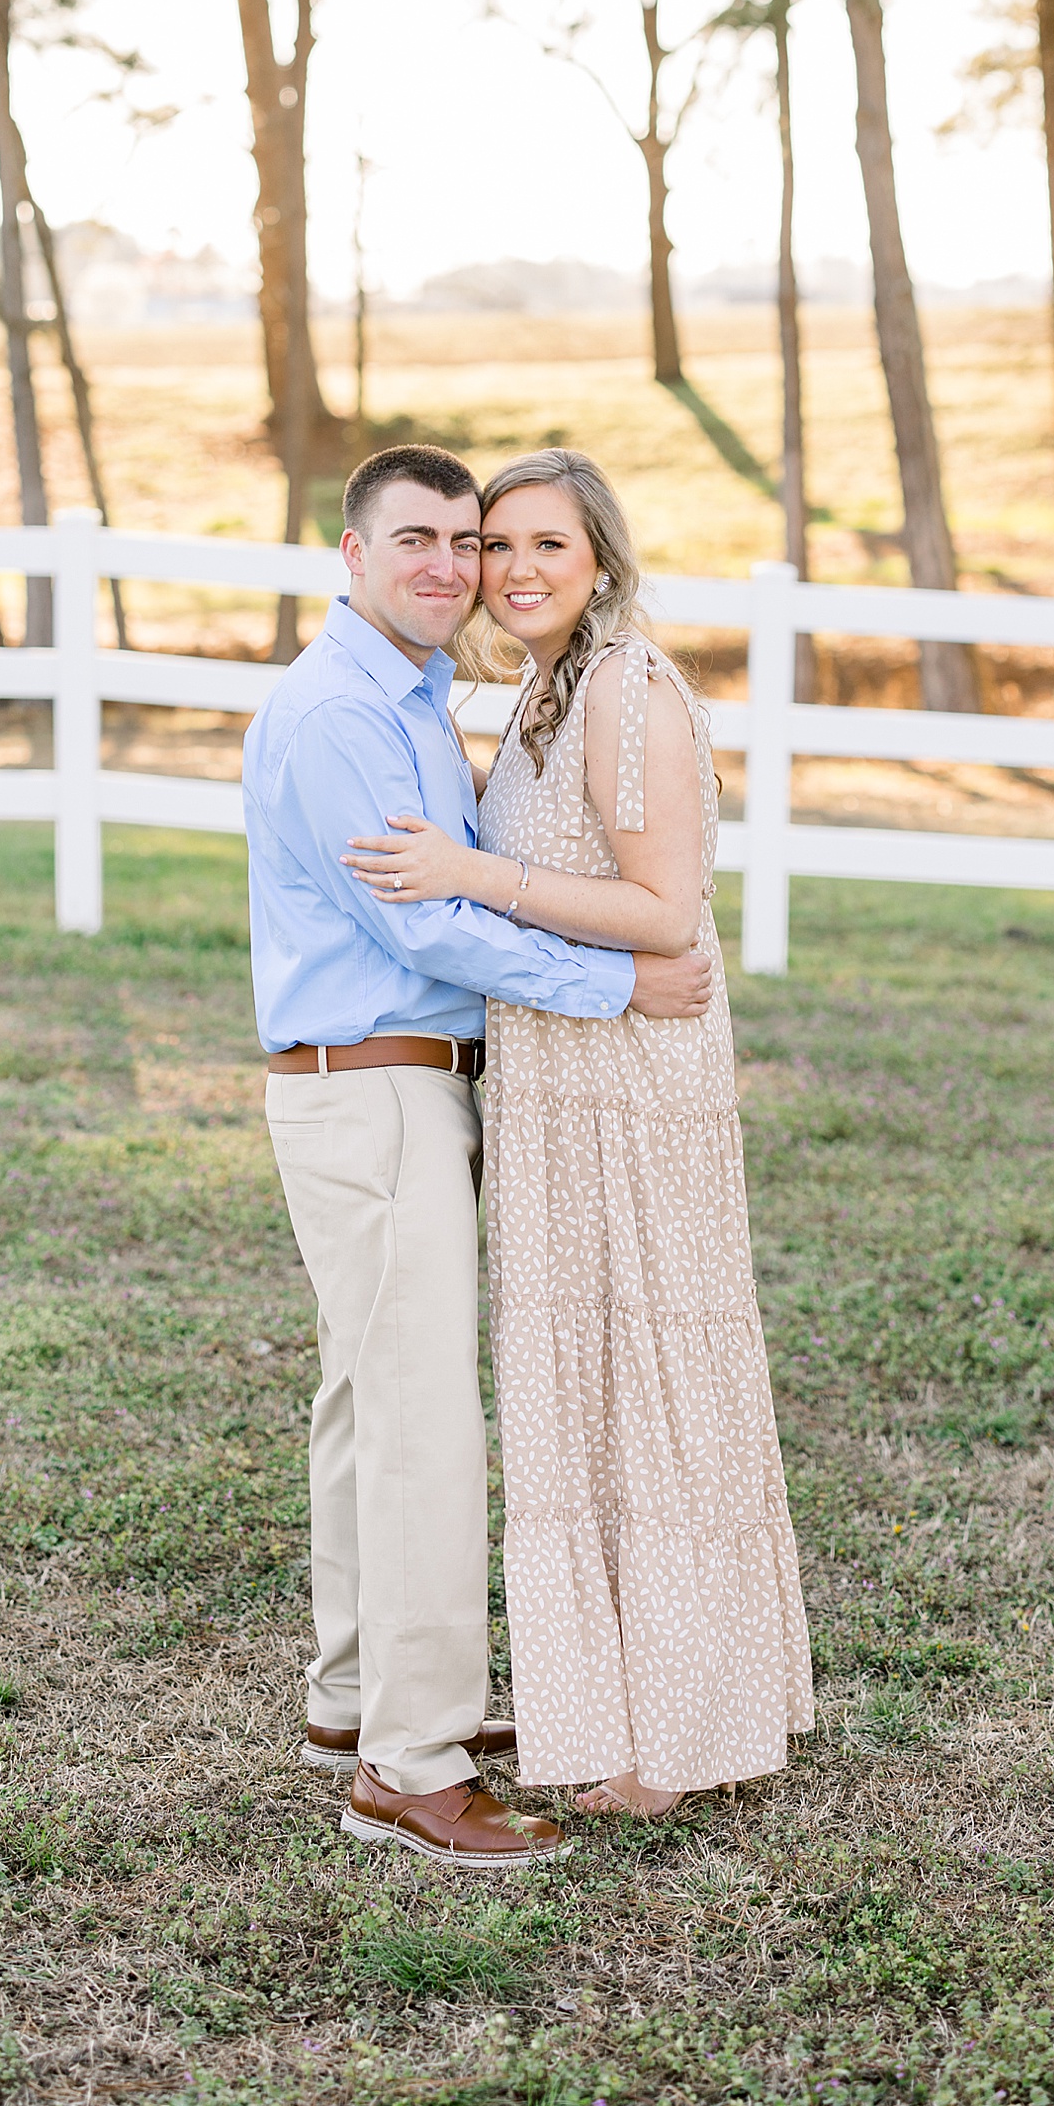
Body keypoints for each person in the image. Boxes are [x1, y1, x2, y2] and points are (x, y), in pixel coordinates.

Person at [242, 443, 714, 1870]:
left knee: (363, 1408)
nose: (455, 565)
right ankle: (415, 1761)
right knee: (421, 1427)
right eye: (421, 540)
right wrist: (617, 985)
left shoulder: (408, 700)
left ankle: (354, 1701)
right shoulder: (338, 717)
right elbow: (426, 928)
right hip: (374, 1090)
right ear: (351, 555)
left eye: (472, 536)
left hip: (395, 1088)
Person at [345, 447, 813, 1817]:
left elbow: (668, 912)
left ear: (599, 559)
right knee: (586, 1377)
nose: (516, 571)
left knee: (650, 1369)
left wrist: (469, 871)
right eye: (497, 548)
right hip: (557, 1074)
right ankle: (622, 1709)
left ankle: (672, 1739)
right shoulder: (545, 690)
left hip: (633, 1080)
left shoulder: (624, 688)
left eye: (548, 545)